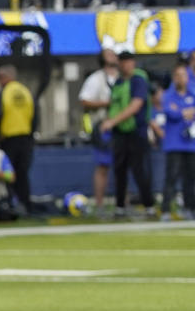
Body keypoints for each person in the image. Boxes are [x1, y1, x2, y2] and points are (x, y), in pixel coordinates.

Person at [100, 51, 155, 217]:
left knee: (139, 170)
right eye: (122, 62)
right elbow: (114, 104)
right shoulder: (118, 82)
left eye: (128, 61)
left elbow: (135, 105)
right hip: (119, 133)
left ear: (133, 62)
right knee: (119, 170)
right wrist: (109, 121)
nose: (125, 65)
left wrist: (112, 121)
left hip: (136, 131)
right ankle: (120, 207)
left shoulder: (138, 80)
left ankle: (149, 206)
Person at [0, 65, 35, 214]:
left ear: (4, 77)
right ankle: (26, 206)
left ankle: (10, 206)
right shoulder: (25, 91)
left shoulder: (4, 92)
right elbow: (35, 115)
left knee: (9, 174)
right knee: (23, 174)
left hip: (9, 139)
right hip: (26, 139)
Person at [79, 50, 118, 212]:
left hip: (122, 126)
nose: (114, 55)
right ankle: (100, 205)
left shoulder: (122, 77)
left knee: (122, 167)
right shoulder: (96, 79)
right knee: (103, 167)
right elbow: (84, 101)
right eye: (109, 54)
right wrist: (106, 104)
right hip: (103, 126)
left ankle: (122, 204)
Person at [159, 63, 195, 221]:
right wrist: (186, 111)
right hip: (174, 143)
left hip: (191, 144)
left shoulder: (192, 93)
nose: (181, 78)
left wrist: (184, 111)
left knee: (191, 179)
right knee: (171, 178)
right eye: (178, 75)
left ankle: (190, 208)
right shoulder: (168, 95)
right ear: (174, 78)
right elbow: (170, 112)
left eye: (184, 75)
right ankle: (166, 210)